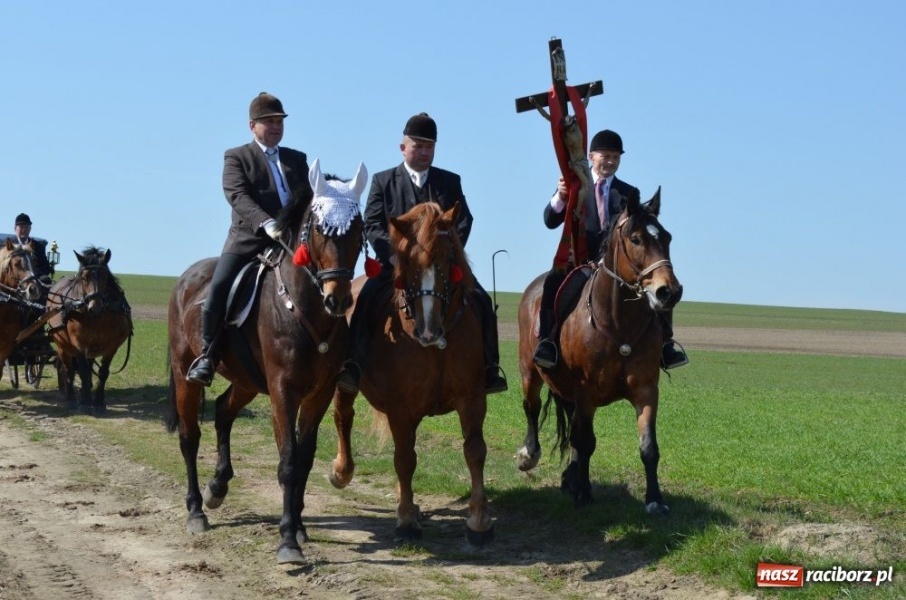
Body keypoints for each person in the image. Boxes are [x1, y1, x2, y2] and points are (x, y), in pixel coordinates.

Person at [337, 112, 508, 395]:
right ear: (403, 147)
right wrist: (394, 256)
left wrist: (448, 253)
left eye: (430, 146)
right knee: (365, 300)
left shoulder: (450, 181)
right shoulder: (383, 181)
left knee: (481, 300)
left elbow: (463, 220)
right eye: (418, 145)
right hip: (395, 266)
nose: (425, 151)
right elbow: (373, 224)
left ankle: (490, 368)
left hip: (441, 265)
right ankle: (354, 364)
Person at [532, 129, 689, 370]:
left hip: (616, 267)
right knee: (553, 283)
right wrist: (561, 197)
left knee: (657, 285)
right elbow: (549, 220)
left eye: (615, 157)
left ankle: (666, 344)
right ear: (591, 156)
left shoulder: (628, 194)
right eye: (605, 156)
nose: (610, 161)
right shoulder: (574, 186)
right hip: (580, 262)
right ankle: (547, 343)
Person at [186, 92, 311, 386]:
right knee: (219, 286)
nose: (275, 126)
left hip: (291, 241)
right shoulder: (236, 156)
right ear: (252, 126)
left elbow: (309, 198)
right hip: (250, 239)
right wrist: (265, 222)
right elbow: (237, 195)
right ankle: (208, 354)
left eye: (279, 121)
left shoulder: (297, 159)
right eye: (268, 121)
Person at [10, 213, 53, 283]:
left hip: (33, 282)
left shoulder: (38, 247)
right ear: (15, 229)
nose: (24, 229)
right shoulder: (7, 246)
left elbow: (45, 267)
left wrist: (33, 275)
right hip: (12, 281)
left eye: (26, 227)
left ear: (30, 229)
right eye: (21, 227)